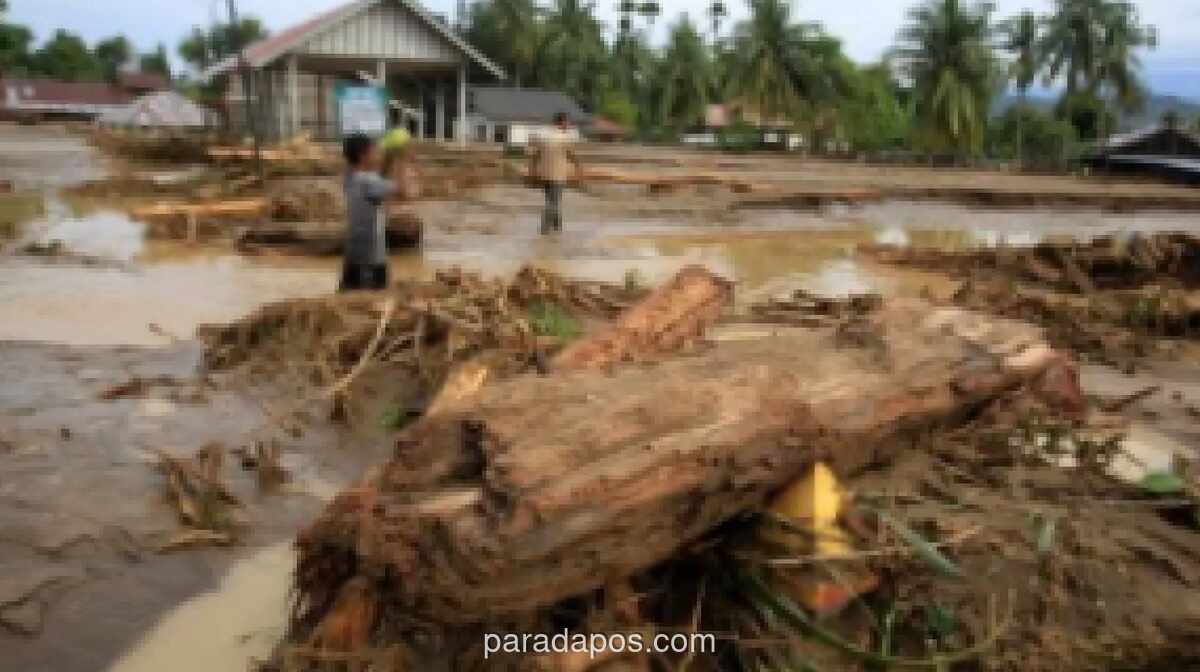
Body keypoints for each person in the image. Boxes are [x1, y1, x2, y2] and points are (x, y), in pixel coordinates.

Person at [340, 133, 395, 291]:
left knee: (348, 299)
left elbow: (381, 179)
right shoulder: (368, 180)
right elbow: (402, 190)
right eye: (374, 152)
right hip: (371, 257)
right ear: (363, 155)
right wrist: (400, 160)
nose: (378, 156)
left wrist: (389, 159)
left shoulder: (350, 177)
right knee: (371, 303)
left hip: (353, 254)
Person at [528, 112, 579, 234]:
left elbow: (535, 155)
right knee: (554, 202)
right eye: (567, 122)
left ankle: (557, 227)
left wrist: (533, 171)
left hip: (544, 174)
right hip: (558, 175)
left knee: (551, 200)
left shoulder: (544, 136)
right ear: (561, 123)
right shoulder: (564, 137)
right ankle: (545, 229)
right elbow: (571, 154)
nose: (568, 125)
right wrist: (579, 167)